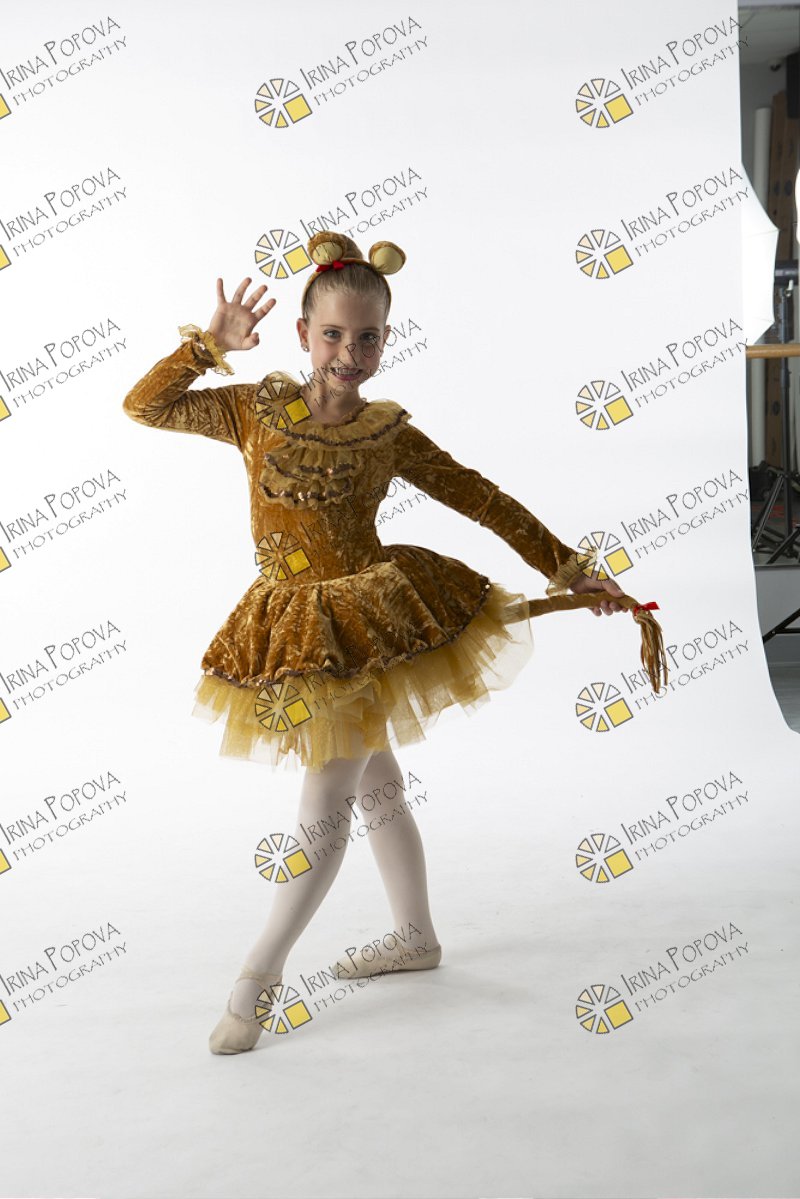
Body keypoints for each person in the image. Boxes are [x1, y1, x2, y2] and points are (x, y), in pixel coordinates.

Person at [121, 231, 625, 1055]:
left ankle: (255, 982)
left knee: (326, 798)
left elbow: (483, 499)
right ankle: (415, 936)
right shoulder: (252, 411)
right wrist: (206, 347)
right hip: (294, 625)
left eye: (367, 338)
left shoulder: (386, 433)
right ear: (302, 334)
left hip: (370, 619)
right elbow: (145, 407)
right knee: (377, 783)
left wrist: (570, 569)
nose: (348, 354)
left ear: (387, 339)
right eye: (332, 334)